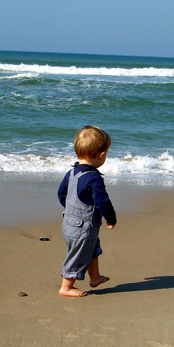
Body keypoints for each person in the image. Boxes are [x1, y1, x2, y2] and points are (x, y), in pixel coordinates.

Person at [57, 125, 117, 297]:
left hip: (68, 223)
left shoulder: (72, 173)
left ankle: (95, 277)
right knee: (78, 255)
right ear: (102, 155)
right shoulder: (94, 178)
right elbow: (102, 201)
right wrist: (111, 218)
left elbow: (61, 194)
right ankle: (66, 287)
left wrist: (70, 210)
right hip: (82, 227)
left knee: (92, 248)